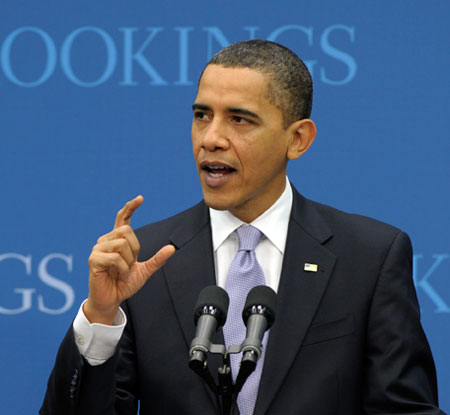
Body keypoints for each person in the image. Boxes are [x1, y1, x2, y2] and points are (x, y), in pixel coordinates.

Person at [40, 40, 444, 415]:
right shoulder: (145, 259)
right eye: (202, 116)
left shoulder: (369, 257)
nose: (211, 138)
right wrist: (101, 316)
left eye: (239, 120)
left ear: (298, 139)